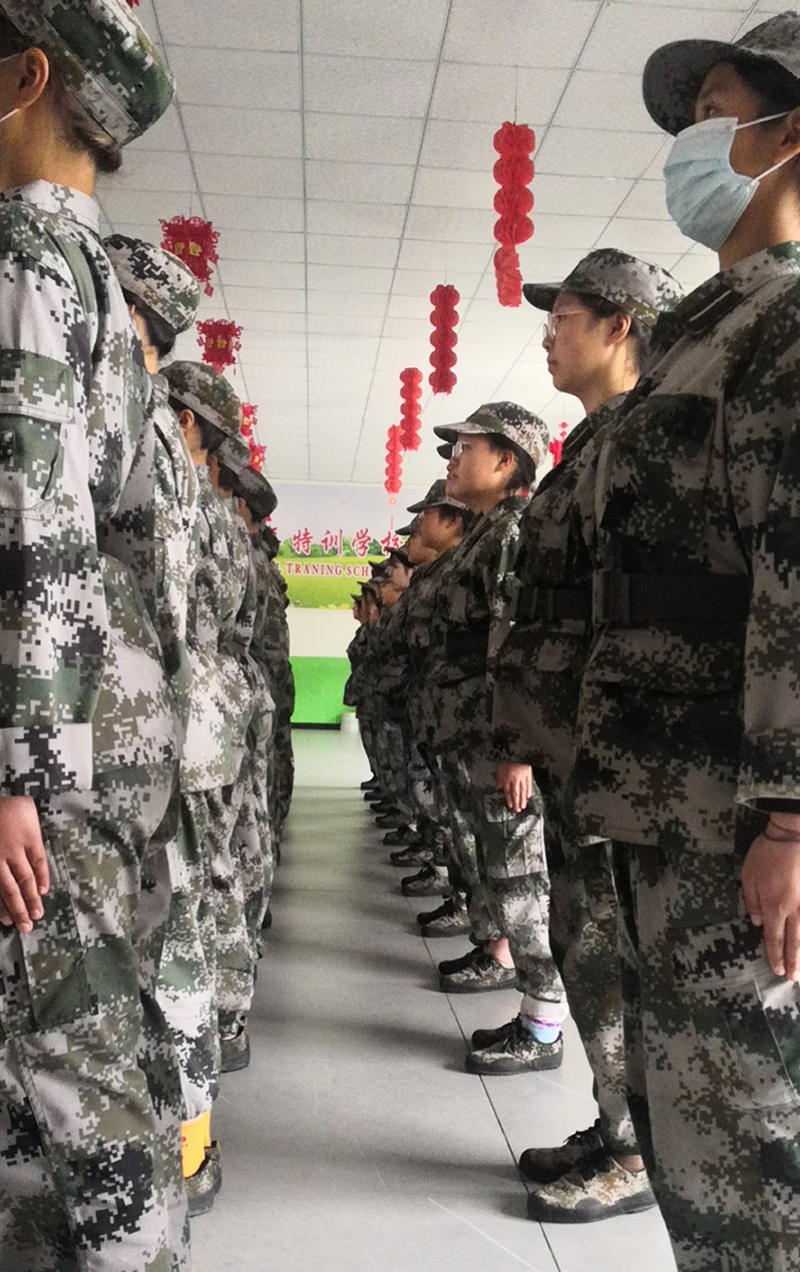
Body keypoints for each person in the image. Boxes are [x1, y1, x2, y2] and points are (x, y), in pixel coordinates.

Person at [569, 13, 800, 1267]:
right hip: (668, 793)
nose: (692, 139)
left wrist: (789, 817)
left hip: (735, 812)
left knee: (749, 1143)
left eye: (715, 108)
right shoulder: (707, 329)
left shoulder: (786, 321)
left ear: (787, 131)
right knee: (689, 1131)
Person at [0, 3, 188, 1269]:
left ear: (29, 76)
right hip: (98, 729)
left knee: (71, 1045)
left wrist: (18, 772)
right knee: (97, 1024)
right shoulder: (96, 278)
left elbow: (34, 523)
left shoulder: (24, 253)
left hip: (47, 751)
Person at [486, 251, 681, 1221]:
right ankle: (614, 1125)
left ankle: (636, 1151)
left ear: (618, 325)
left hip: (622, 757)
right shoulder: (594, 446)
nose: (547, 334)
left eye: (562, 316)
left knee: (611, 963)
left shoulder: (651, 443)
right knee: (585, 947)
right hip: (578, 751)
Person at [419, 405, 567, 1073]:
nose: (453, 460)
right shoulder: (488, 533)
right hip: (479, 736)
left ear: (507, 461)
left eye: (467, 448)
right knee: (504, 877)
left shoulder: (510, 532)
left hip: (501, 744)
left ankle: (543, 1030)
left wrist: (516, 748)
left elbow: (515, 643)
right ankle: (533, 1015)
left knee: (523, 884)